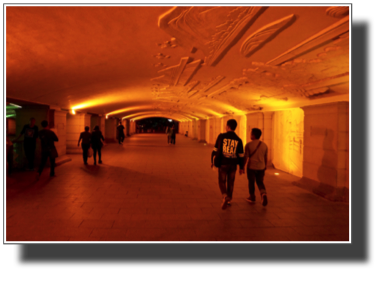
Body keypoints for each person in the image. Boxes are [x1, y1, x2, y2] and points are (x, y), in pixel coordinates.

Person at [211, 119, 244, 209]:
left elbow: (215, 150)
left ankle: (225, 196)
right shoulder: (238, 140)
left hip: (223, 163)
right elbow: (241, 155)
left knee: (222, 181)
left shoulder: (222, 136)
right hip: (233, 165)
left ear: (228, 126)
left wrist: (212, 160)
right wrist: (241, 167)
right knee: (231, 182)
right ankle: (229, 200)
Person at [243, 128, 268, 206]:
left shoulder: (248, 145)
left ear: (253, 135)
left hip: (251, 167)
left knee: (251, 182)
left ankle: (252, 197)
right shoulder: (264, 145)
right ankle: (263, 193)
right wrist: (265, 166)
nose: (250, 135)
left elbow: (246, 157)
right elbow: (265, 157)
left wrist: (242, 167)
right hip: (261, 167)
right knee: (260, 181)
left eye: (251, 134)